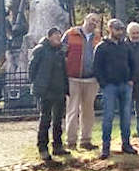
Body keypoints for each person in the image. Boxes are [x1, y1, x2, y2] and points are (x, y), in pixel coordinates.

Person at [93, 18, 136, 159]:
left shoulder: (126, 46)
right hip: (109, 87)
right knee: (108, 117)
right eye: (117, 29)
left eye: (122, 29)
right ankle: (106, 147)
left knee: (126, 117)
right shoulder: (101, 47)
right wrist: (103, 84)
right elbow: (97, 68)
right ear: (110, 29)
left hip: (125, 85)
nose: (120, 32)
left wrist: (131, 79)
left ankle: (126, 144)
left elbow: (132, 63)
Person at [29, 27, 70, 161]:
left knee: (58, 121)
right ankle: (43, 148)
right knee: (45, 120)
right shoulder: (40, 50)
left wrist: (65, 87)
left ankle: (57, 146)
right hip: (46, 91)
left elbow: (64, 70)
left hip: (59, 90)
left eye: (60, 36)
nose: (59, 39)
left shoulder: (60, 51)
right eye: (56, 36)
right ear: (50, 36)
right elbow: (32, 69)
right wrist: (38, 85)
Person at [62, 13, 101, 150]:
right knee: (72, 110)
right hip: (73, 78)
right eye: (92, 20)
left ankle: (86, 140)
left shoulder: (98, 38)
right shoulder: (71, 34)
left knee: (88, 111)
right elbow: (62, 54)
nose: (94, 23)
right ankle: (71, 141)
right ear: (85, 20)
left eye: (96, 21)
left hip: (91, 79)